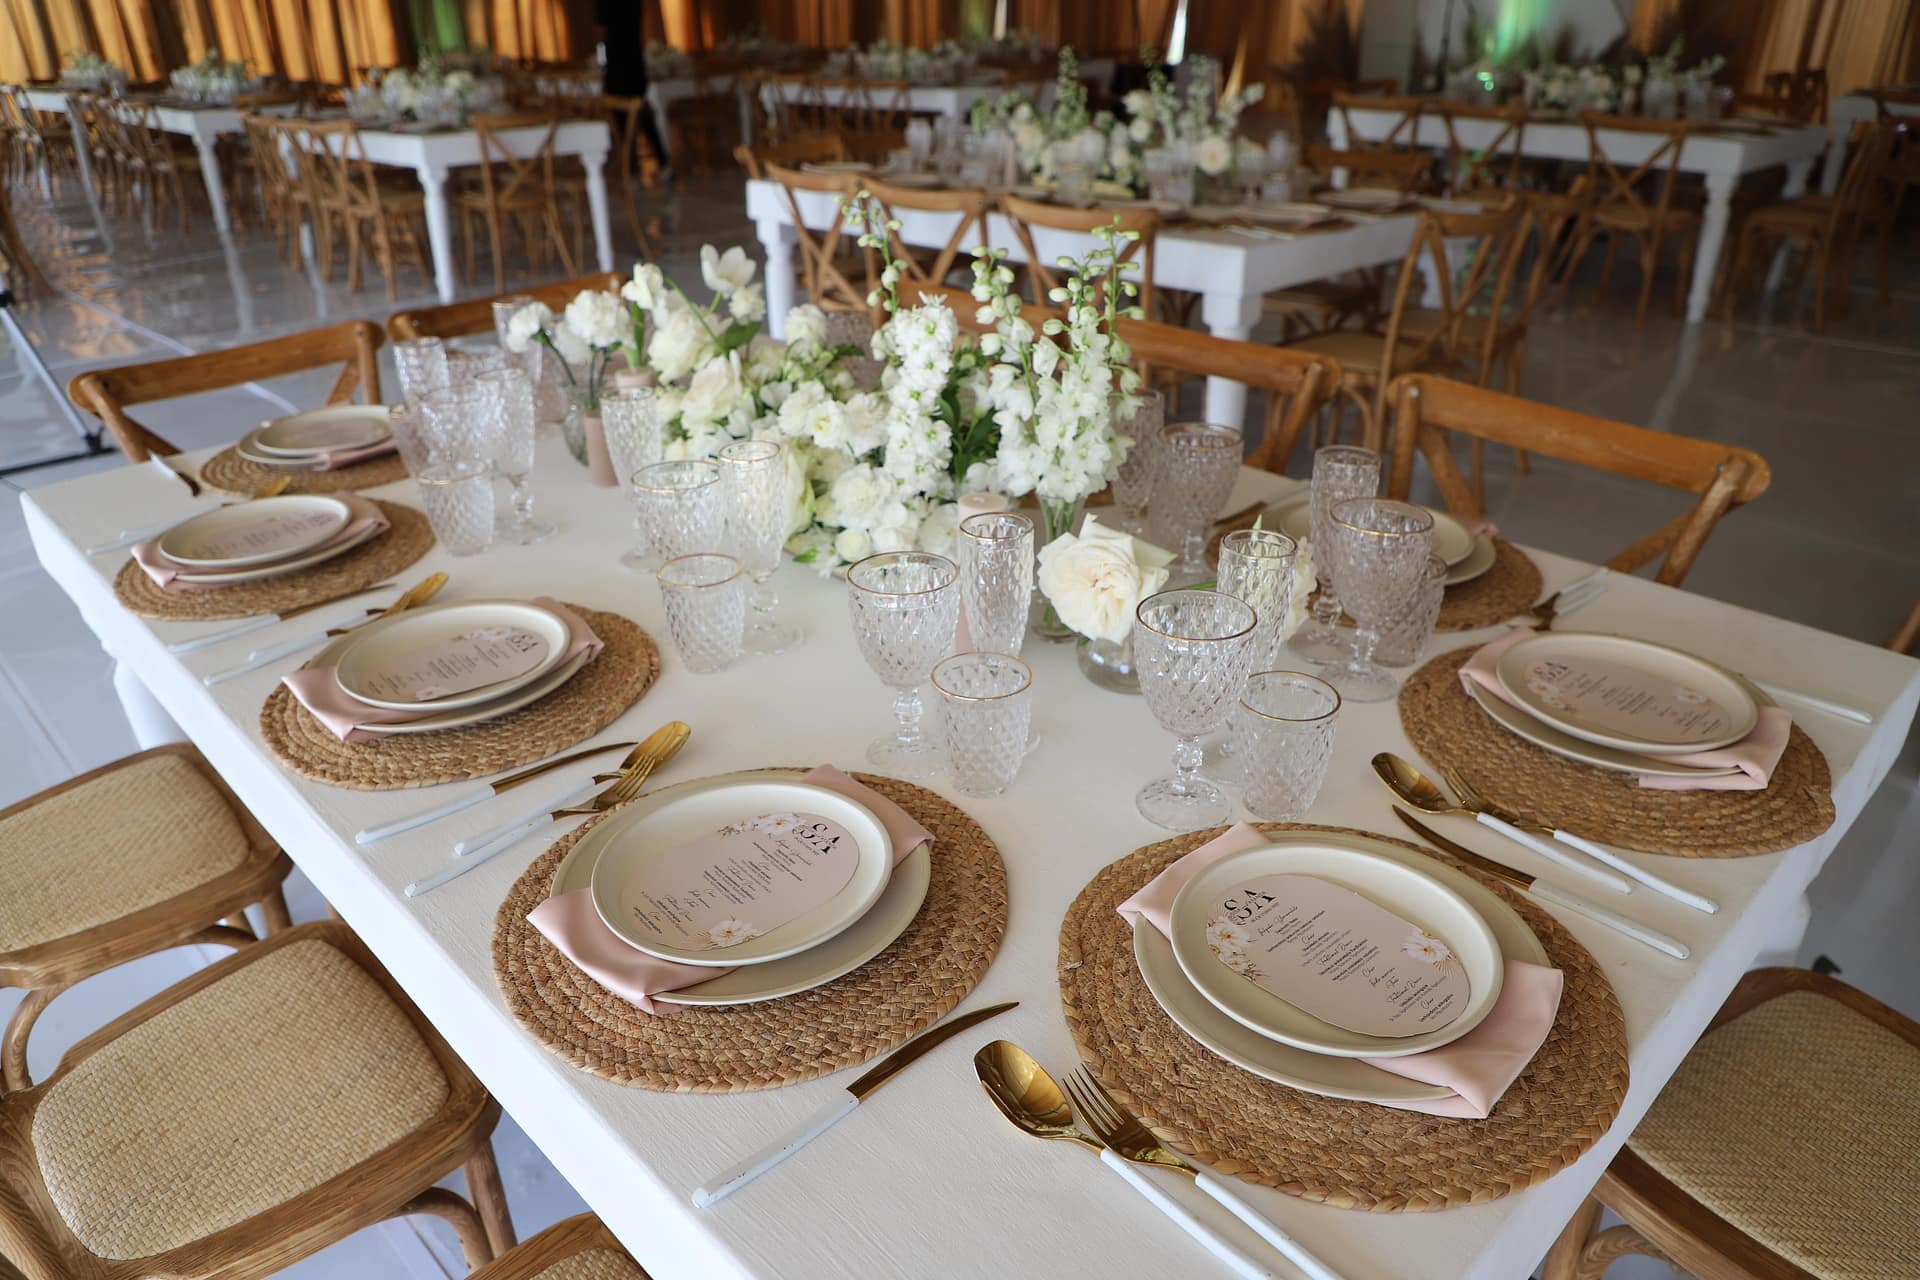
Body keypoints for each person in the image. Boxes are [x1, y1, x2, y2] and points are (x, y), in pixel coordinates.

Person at [595, 0, 670, 169]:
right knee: (642, 115)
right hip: (635, 66)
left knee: (625, 120)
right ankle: (661, 162)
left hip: (617, 68)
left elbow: (601, 34)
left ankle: (632, 168)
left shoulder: (604, 4)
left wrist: (602, 60)